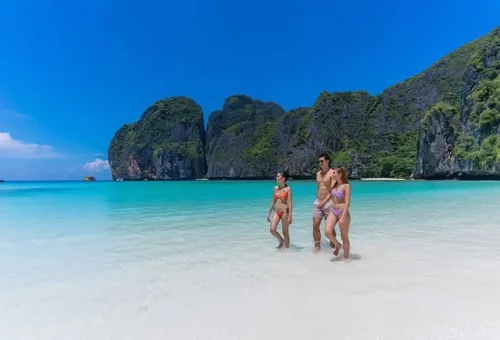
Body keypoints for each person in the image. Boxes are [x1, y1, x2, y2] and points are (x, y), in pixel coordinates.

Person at [312, 153, 338, 252]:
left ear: (327, 161)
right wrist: (319, 200)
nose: (320, 163)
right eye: (319, 161)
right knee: (315, 224)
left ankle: (334, 246)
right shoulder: (318, 174)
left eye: (322, 161)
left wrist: (324, 202)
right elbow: (319, 188)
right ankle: (317, 246)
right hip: (319, 202)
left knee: (330, 227)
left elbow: (332, 191)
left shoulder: (332, 173)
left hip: (330, 202)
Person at [324, 167, 351, 261]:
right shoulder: (334, 185)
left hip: (342, 212)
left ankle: (346, 259)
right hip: (333, 211)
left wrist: (343, 217)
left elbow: (347, 202)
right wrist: (323, 203)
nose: (332, 174)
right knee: (327, 231)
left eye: (334, 173)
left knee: (344, 237)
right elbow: (330, 196)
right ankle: (337, 245)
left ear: (340, 174)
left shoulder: (346, 186)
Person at [266, 171, 293, 248]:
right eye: (276, 176)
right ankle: (282, 241)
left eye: (278, 176)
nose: (276, 178)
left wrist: (290, 216)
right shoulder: (275, 188)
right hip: (276, 211)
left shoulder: (288, 189)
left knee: (285, 232)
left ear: (283, 178)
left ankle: (287, 250)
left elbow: (290, 203)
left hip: (285, 212)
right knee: (272, 229)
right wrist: (269, 213)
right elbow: (273, 201)